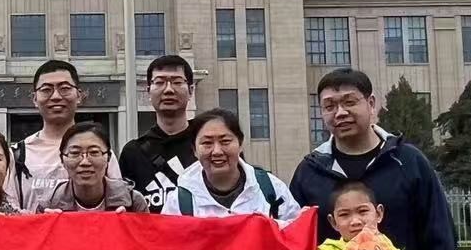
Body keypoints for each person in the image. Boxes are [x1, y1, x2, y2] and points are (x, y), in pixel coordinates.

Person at [291, 69, 460, 250]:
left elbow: (440, 240)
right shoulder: (310, 171)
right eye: (329, 106)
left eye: (349, 102)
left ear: (371, 104)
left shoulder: (408, 162)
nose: (340, 113)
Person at [7, 60, 121, 209]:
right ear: (35, 99)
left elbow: (119, 203)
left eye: (65, 88)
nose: (56, 96)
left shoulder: (100, 150)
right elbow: (10, 211)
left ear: (79, 96)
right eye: (46, 89)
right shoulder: (18, 154)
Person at [161, 109, 301, 220]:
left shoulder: (272, 189)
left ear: (240, 144)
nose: (217, 151)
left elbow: (293, 234)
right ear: (194, 150)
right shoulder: (179, 202)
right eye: (207, 143)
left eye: (225, 141)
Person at [117, 54, 197, 212]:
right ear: (148, 91)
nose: (168, 90)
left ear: (191, 90)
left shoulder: (209, 145)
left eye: (177, 82)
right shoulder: (133, 153)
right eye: (160, 82)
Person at [42, 122, 149, 213]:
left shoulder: (133, 201)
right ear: (62, 159)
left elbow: (146, 231)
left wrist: (127, 224)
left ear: (108, 157)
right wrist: (49, 224)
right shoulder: (49, 204)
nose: (85, 162)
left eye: (94, 152)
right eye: (75, 153)